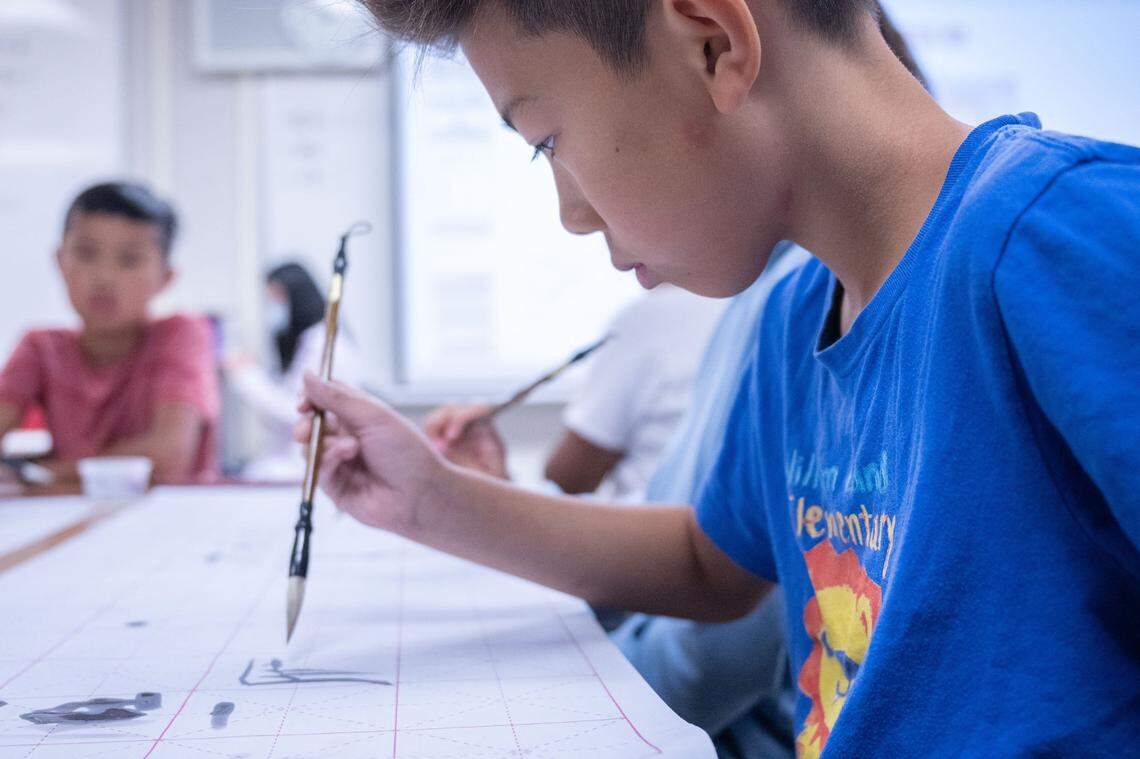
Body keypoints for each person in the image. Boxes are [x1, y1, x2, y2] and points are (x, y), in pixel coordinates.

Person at [297, 1, 1140, 755]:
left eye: (547, 141)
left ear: (714, 45)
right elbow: (711, 565)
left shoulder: (1062, 236)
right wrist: (431, 499)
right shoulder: (795, 317)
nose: (571, 212)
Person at [0, 181, 220, 484]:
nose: (104, 277)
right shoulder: (41, 347)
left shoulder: (181, 334)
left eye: (129, 260)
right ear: (60, 261)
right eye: (87, 253)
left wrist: (41, 472)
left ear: (166, 277)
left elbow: (169, 457)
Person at [428, 284, 726, 499]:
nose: (576, 223)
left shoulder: (656, 316)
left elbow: (567, 482)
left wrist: (494, 491)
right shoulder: (756, 295)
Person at [224, 262, 364, 481]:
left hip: (306, 467)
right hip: (294, 460)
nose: (273, 308)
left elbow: (297, 412)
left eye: (277, 300)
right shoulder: (309, 342)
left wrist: (246, 375)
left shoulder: (324, 346)